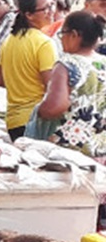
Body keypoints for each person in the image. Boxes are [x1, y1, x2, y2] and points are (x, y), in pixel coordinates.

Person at [31, 10, 106, 152]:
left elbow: (54, 108)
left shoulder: (67, 65)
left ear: (74, 35)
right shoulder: (103, 62)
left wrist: (38, 111)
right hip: (100, 147)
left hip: (70, 146)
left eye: (62, 33)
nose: (61, 39)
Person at [0, 0, 58, 139]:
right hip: (35, 122)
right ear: (29, 15)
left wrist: (21, 83)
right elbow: (52, 87)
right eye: (46, 8)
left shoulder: (9, 40)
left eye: (52, 4)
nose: (52, 11)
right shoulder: (44, 43)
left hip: (13, 121)